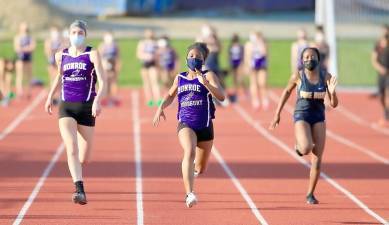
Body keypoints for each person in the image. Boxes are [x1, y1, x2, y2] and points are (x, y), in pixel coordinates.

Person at [153, 42, 225, 208]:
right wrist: (160, 107)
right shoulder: (180, 77)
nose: (194, 59)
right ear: (186, 59)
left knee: (201, 168)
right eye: (191, 56)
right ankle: (189, 193)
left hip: (205, 126)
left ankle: (192, 172)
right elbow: (170, 95)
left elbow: (221, 97)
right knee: (189, 150)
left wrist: (206, 83)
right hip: (186, 123)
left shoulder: (209, 75)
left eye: (198, 57)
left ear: (203, 60)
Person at [44, 20, 106, 205]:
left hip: (87, 107)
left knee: (84, 158)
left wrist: (97, 100)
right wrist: (49, 97)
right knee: (71, 147)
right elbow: (58, 77)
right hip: (67, 107)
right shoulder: (60, 55)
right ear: (69, 34)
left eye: (80, 32)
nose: (76, 35)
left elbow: (103, 81)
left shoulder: (92, 54)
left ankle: (77, 168)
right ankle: (79, 189)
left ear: (85, 34)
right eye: (73, 32)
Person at [269, 47, 338, 204]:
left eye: (312, 56)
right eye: (306, 57)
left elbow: (334, 104)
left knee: (317, 158)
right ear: (301, 60)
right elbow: (286, 92)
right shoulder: (298, 76)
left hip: (319, 117)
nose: (309, 59)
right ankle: (299, 147)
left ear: (318, 59)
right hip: (302, 115)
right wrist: (277, 114)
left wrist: (332, 93)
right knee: (306, 147)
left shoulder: (325, 76)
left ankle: (310, 194)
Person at [244, 31, 269, 110]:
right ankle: (255, 101)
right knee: (253, 83)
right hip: (252, 65)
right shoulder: (248, 44)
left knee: (262, 83)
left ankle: (264, 99)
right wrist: (246, 66)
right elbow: (247, 55)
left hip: (261, 64)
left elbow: (265, 53)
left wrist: (260, 43)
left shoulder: (262, 43)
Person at [137, 29, 161, 107]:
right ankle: (149, 100)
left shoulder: (156, 43)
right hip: (144, 65)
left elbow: (158, 54)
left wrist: (155, 59)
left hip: (153, 65)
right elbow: (139, 54)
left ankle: (157, 99)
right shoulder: (142, 43)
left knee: (154, 82)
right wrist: (145, 56)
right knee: (146, 83)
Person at [98, 31, 121, 106]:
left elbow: (118, 57)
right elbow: (99, 57)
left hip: (113, 65)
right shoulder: (102, 46)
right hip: (105, 66)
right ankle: (104, 98)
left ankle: (112, 98)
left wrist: (118, 66)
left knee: (113, 82)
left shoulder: (115, 46)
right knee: (105, 82)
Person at [14, 22, 36, 99]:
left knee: (29, 75)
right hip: (20, 58)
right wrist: (26, 48)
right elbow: (17, 48)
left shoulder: (30, 37)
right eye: (23, 28)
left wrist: (24, 49)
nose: (25, 30)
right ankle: (19, 91)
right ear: (20, 29)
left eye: (26, 28)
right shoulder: (18, 37)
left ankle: (29, 91)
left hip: (28, 58)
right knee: (19, 75)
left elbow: (32, 47)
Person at [372, 33, 389, 126]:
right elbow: (373, 60)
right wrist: (380, 68)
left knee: (387, 95)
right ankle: (385, 112)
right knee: (382, 96)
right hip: (381, 76)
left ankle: (386, 116)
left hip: (388, 75)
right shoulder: (378, 48)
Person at [44, 25, 63, 104]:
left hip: (59, 62)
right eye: (53, 32)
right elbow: (47, 51)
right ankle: (53, 97)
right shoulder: (49, 41)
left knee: (60, 79)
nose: (55, 33)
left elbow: (62, 50)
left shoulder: (61, 41)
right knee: (52, 79)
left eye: (56, 32)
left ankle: (59, 96)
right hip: (51, 61)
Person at [228, 33, 244, 102]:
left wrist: (242, 63)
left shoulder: (240, 46)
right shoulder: (231, 46)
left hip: (239, 62)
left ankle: (243, 90)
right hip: (233, 62)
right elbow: (229, 55)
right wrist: (229, 63)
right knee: (234, 77)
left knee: (239, 78)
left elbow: (242, 54)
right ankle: (235, 90)